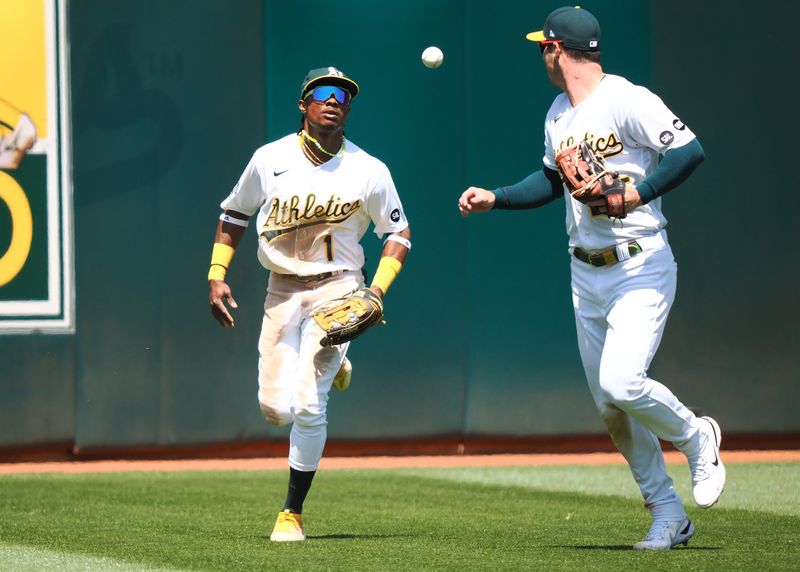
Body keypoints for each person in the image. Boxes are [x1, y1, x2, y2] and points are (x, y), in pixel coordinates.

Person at [458, 6, 724, 551]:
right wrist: (498, 199)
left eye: (542, 47)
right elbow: (552, 180)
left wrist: (637, 193)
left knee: (622, 383)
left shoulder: (626, 98)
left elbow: (689, 150)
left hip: (639, 264)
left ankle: (696, 435)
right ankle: (668, 513)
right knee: (610, 406)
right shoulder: (559, 111)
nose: (540, 56)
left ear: (557, 49)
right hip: (586, 272)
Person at [207, 66, 411, 542]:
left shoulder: (369, 169)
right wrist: (216, 274)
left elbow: (398, 233)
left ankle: (291, 512)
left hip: (338, 286)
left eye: (343, 94)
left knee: (307, 403)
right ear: (304, 104)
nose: (334, 100)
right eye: (323, 93)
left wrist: (375, 290)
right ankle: (341, 366)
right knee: (275, 408)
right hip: (281, 288)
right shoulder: (270, 158)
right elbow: (234, 212)